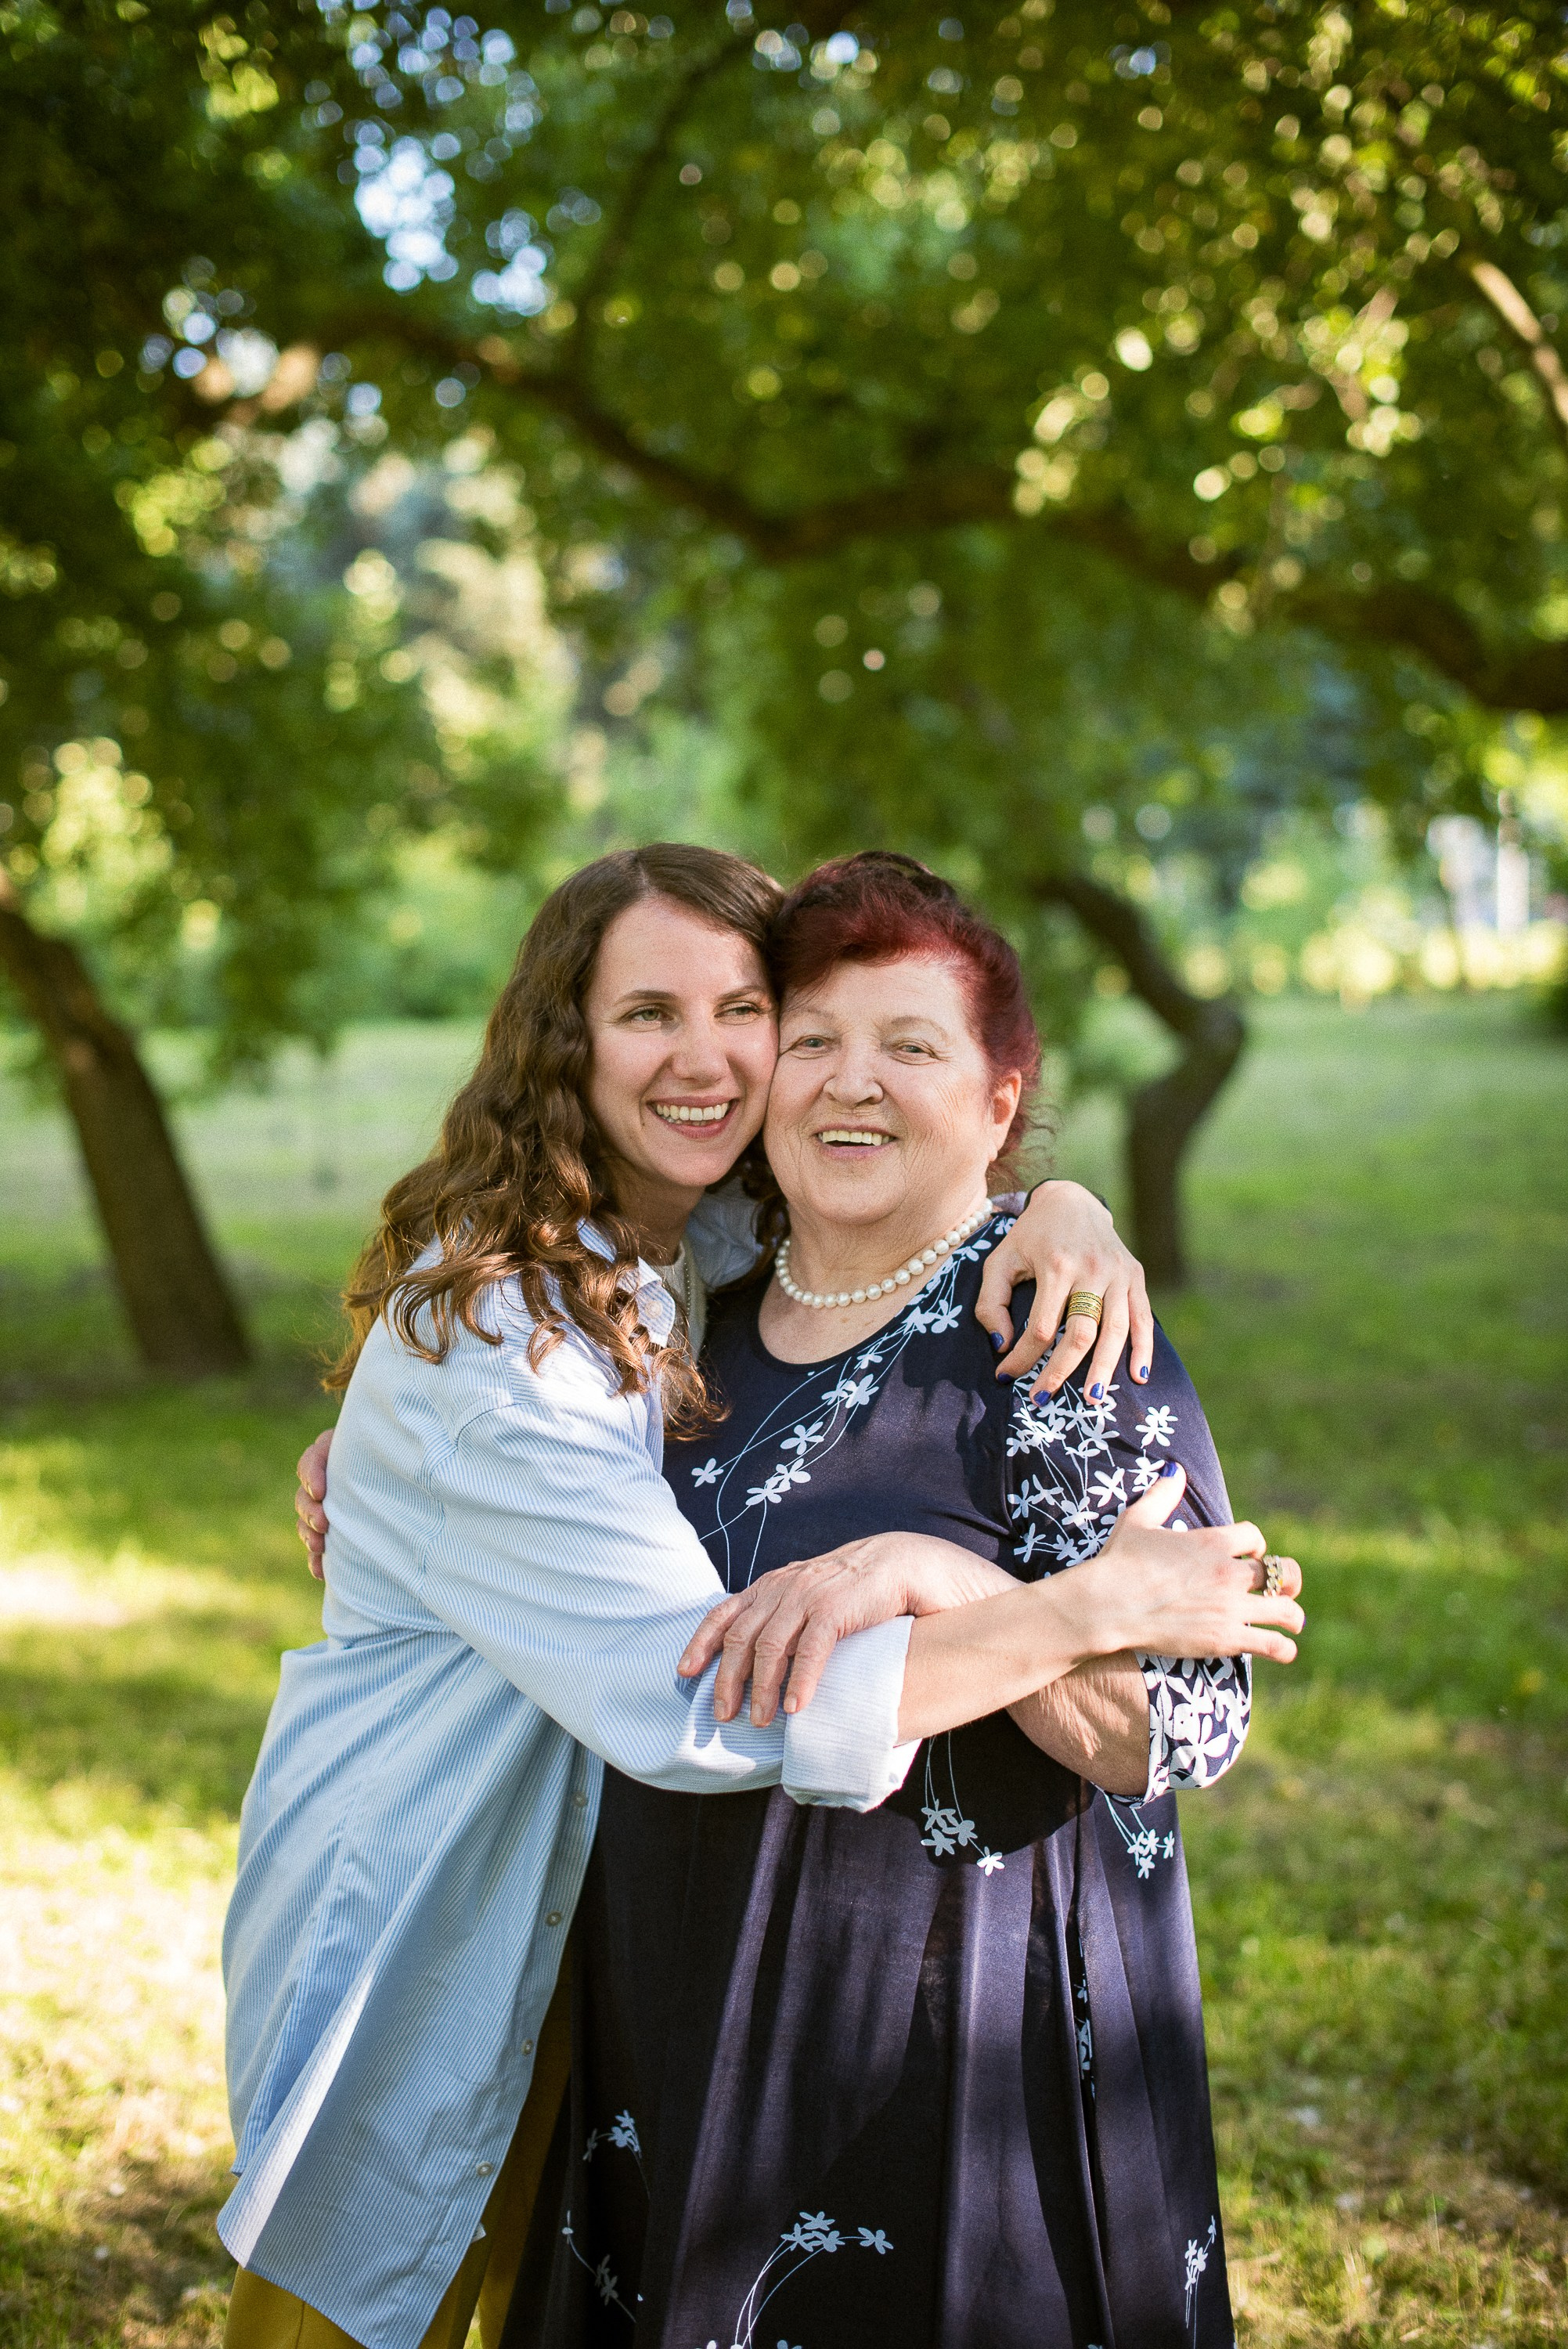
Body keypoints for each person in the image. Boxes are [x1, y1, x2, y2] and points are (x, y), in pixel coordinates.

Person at [222, 844, 1214, 2349]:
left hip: (745, 1993)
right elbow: (699, 1701)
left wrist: (1061, 1201)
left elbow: (904, 1191)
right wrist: (1057, 1605)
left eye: (746, 1011)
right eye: (651, 1015)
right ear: (564, 1045)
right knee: (362, 2300)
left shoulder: (755, 1256)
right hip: (470, 1930)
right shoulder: (537, 1339)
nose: (716, 1061)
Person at [506, 853, 1303, 2349]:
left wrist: (946, 1577)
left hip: (960, 2028)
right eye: (813, 1039)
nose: (850, 1083)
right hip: (677, 1991)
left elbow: (1177, 1730)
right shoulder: (689, 1319)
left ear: (1001, 1100)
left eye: (911, 1047)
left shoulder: (1060, 1333)